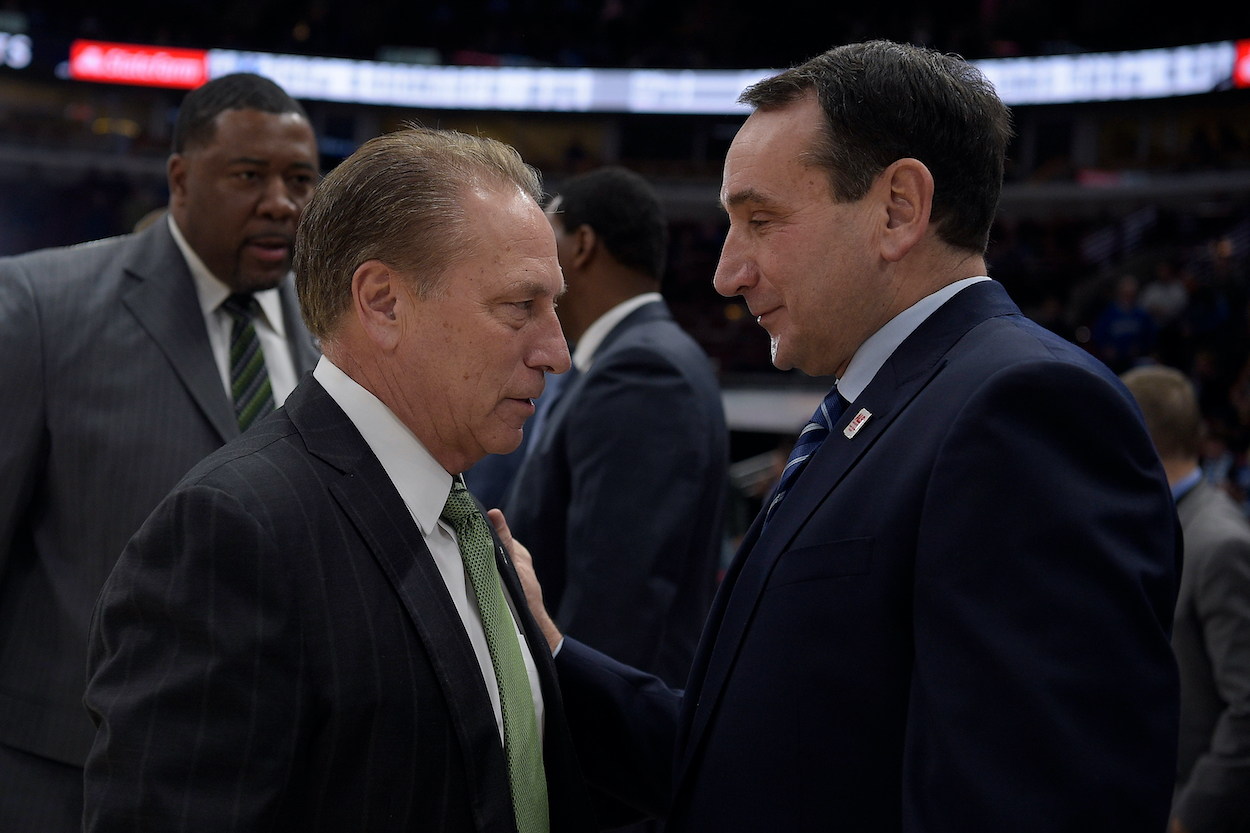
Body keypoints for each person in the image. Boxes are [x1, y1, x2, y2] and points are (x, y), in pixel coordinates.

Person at [498, 40, 1181, 832]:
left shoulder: (1025, 410)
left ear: (898, 208)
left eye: (761, 219)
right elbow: (752, 760)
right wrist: (550, 651)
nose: (726, 271)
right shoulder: (884, 406)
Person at [83, 127, 597, 833]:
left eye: (557, 308)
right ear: (383, 301)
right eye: (520, 306)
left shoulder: (464, 519)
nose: (558, 352)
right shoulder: (232, 532)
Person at [0, 73, 321, 831]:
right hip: (65, 781)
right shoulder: (43, 307)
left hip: (272, 782)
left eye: (301, 179)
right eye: (250, 175)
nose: (281, 201)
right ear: (180, 178)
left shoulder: (339, 339)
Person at [499, 166, 728, 688]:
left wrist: (574, 724)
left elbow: (617, 594)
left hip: (603, 724)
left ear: (581, 244)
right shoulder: (640, 357)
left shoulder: (644, 372)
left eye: (545, 234)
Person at [1121, 365, 1250, 833]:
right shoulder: (1161, 521)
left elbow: (1248, 707)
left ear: (1135, 433)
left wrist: (1188, 817)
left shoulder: (1219, 544)